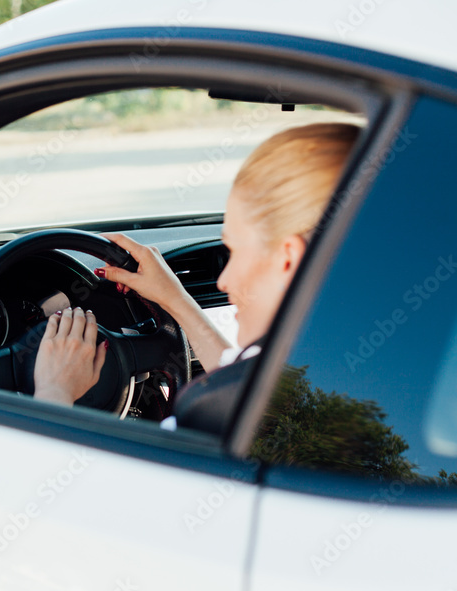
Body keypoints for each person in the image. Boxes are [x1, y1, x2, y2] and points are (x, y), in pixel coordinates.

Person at [32, 122, 361, 422]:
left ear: (287, 258)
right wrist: (175, 300)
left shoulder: (210, 422)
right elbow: (246, 384)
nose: (223, 281)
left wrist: (54, 391)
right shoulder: (344, 379)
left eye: (234, 251)